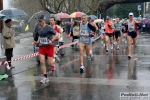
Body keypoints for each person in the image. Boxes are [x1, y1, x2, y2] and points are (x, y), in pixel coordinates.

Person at [32, 15, 58, 84]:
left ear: (44, 21)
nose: (39, 23)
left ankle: (54, 58)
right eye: (39, 21)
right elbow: (40, 36)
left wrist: (51, 41)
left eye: (40, 21)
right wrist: (36, 42)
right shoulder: (38, 28)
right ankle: (45, 77)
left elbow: (57, 35)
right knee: (42, 61)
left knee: (50, 63)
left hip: (49, 47)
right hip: (41, 47)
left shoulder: (49, 27)